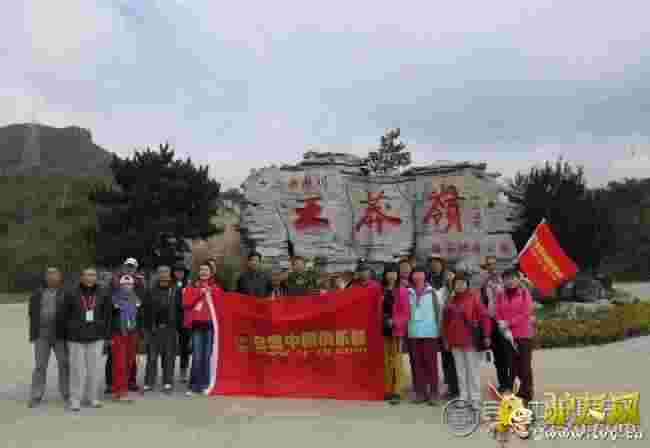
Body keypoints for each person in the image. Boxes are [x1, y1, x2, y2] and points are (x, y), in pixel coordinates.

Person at [60, 267, 111, 411]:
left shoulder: (103, 292)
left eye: (93, 275)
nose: (90, 278)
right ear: (81, 277)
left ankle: (92, 397)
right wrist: (67, 332)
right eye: (87, 275)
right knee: (77, 370)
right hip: (76, 337)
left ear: (96, 277)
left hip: (96, 336)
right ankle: (75, 399)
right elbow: (63, 314)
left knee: (94, 369)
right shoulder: (71, 292)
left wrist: (106, 334)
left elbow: (107, 315)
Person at [442, 272, 491, 409]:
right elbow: (445, 322)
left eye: (462, 283)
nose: (459, 286)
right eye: (457, 283)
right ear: (453, 285)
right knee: (460, 371)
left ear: (467, 285)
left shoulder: (474, 298)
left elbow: (484, 317)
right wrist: (446, 339)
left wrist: (486, 335)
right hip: (455, 341)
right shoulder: (450, 301)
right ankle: (463, 396)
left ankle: (475, 398)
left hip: (470, 340)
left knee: (472, 370)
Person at [28, 267, 69, 408]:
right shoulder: (37, 293)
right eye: (49, 275)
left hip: (60, 335)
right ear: (45, 278)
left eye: (55, 275)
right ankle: (36, 395)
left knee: (64, 364)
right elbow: (32, 313)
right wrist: (34, 332)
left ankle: (66, 393)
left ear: (60, 277)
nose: (52, 277)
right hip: (42, 335)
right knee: (40, 365)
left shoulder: (66, 293)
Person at [495, 268, 535, 406]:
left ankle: (526, 394)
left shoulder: (524, 293)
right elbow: (497, 311)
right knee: (511, 366)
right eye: (507, 278)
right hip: (507, 336)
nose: (510, 281)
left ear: (518, 279)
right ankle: (514, 393)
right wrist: (500, 322)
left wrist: (508, 323)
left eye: (512, 278)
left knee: (524, 366)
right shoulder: (500, 295)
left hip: (523, 335)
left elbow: (526, 312)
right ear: (503, 281)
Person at [105, 257, 144, 395]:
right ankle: (111, 383)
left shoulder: (139, 283)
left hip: (132, 327)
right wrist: (108, 332)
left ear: (136, 269)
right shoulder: (114, 281)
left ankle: (129, 381)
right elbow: (109, 307)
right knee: (115, 357)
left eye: (132, 267)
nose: (130, 269)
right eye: (128, 266)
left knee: (130, 357)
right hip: (118, 328)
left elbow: (142, 305)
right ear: (123, 266)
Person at [183, 262, 221, 396]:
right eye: (202, 270)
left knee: (207, 356)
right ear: (198, 272)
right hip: (197, 326)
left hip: (210, 326)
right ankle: (194, 385)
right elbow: (186, 303)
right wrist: (200, 292)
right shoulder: (193, 286)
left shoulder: (216, 288)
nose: (204, 272)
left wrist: (210, 291)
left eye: (206, 270)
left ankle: (206, 384)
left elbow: (220, 306)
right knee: (197, 356)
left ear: (211, 273)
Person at [407, 264, 442, 406]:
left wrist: (439, 330)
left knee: (431, 364)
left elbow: (439, 312)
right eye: (415, 273)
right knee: (417, 364)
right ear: (412, 276)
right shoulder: (407, 292)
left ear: (425, 275)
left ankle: (434, 393)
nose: (418, 275)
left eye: (421, 273)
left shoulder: (433, 292)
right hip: (413, 332)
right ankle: (420, 393)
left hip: (430, 332)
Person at [144, 265, 183, 393]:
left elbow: (180, 309)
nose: (163, 274)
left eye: (166, 272)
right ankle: (149, 382)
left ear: (169, 274)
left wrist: (178, 326)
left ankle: (167, 382)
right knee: (152, 357)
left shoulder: (176, 290)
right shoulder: (150, 290)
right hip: (154, 328)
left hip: (170, 328)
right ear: (157, 274)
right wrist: (147, 327)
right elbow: (145, 309)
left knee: (169, 356)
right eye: (160, 272)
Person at [426, 254, 459, 400]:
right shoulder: (428, 281)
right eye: (432, 263)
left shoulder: (450, 280)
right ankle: (448, 385)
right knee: (444, 358)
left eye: (437, 263)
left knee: (452, 357)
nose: (435, 265)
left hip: (449, 325)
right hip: (433, 325)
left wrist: (451, 283)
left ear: (442, 264)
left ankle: (455, 387)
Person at [382, 263, 410, 405]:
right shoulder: (380, 290)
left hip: (396, 330)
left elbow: (406, 313)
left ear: (398, 275)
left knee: (397, 360)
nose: (391, 275)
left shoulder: (402, 291)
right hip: (382, 329)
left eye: (394, 273)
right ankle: (387, 389)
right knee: (386, 360)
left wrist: (395, 321)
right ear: (385, 275)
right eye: (389, 273)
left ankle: (397, 390)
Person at [480, 255, 509, 393]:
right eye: (489, 265)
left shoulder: (506, 281)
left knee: (509, 354)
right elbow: (483, 305)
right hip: (493, 322)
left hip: (507, 321)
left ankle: (511, 383)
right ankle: (503, 383)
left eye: (493, 264)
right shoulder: (484, 284)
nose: (491, 267)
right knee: (498, 355)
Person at [173, 262, 192, 382]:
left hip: (184, 319)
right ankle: (167, 370)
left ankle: (183, 370)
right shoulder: (170, 283)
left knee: (184, 347)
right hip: (171, 319)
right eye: (177, 271)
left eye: (181, 271)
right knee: (170, 346)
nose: (179, 273)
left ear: (185, 273)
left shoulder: (189, 284)